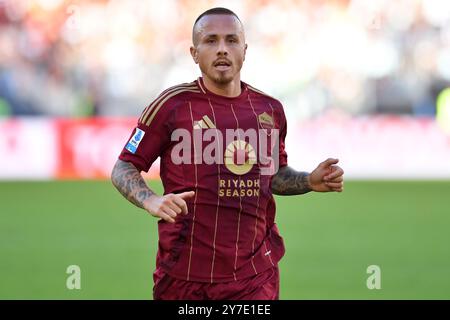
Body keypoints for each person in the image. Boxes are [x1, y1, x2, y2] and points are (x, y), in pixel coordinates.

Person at [111, 7, 344, 300]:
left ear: (244, 50)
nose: (222, 49)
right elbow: (123, 167)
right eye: (211, 41)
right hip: (184, 275)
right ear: (194, 53)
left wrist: (309, 180)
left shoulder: (270, 110)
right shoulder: (171, 105)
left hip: (255, 276)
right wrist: (151, 199)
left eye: (231, 40)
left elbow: (272, 176)